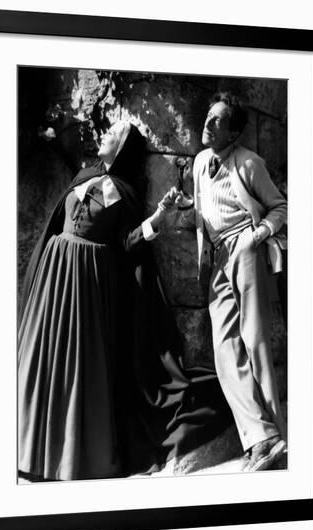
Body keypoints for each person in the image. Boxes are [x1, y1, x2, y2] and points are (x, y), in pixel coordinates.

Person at [18, 121, 231, 481]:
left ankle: (66, 456)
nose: (103, 136)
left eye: (111, 134)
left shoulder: (120, 193)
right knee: (41, 358)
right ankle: (25, 444)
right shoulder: (83, 174)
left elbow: (128, 243)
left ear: (122, 147)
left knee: (75, 364)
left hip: (86, 284)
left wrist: (158, 217)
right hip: (54, 277)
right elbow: (58, 223)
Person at [192, 92, 288, 472]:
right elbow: (203, 207)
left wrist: (258, 235)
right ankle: (264, 437)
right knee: (224, 351)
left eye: (218, 120)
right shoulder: (200, 162)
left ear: (232, 133)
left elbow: (281, 206)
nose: (208, 123)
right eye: (209, 116)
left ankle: (275, 439)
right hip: (217, 257)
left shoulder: (250, 163)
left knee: (256, 344)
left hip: (245, 248)